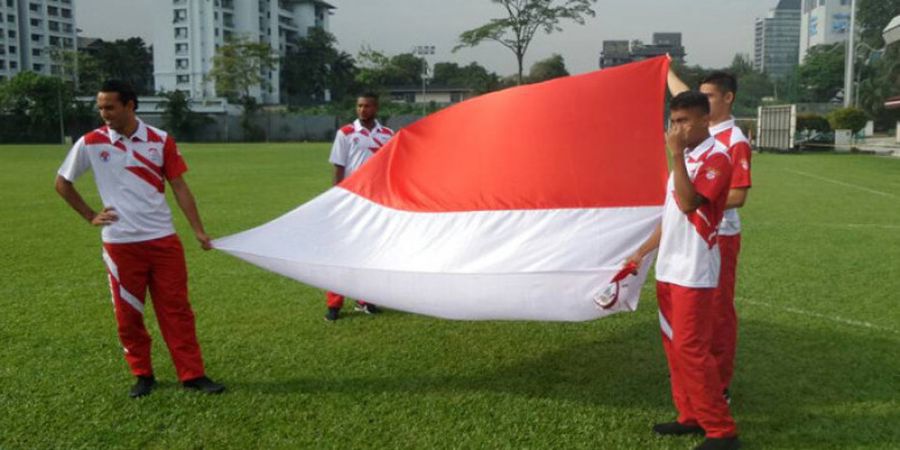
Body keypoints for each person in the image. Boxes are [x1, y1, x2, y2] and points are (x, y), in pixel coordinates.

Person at [55, 80, 225, 398]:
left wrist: (198, 230)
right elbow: (62, 183)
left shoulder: (160, 141)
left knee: (177, 311)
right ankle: (143, 374)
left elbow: (179, 187)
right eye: (101, 108)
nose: (104, 113)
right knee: (128, 313)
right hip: (120, 245)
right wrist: (91, 215)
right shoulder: (91, 142)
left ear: (130, 105)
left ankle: (193, 374)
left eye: (110, 107)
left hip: (163, 241)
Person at [626, 91, 739, 450]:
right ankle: (689, 415)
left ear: (705, 119)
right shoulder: (686, 158)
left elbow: (690, 204)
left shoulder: (717, 158)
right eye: (673, 122)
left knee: (691, 348)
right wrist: (643, 251)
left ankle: (722, 431)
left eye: (685, 121)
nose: (677, 128)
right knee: (674, 346)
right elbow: (671, 215)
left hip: (695, 270)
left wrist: (675, 154)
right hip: (669, 267)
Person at [668, 69, 752, 400]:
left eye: (710, 96)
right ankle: (697, 379)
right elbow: (682, 94)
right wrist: (665, 68)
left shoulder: (734, 141)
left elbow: (739, 195)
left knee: (717, 310)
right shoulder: (700, 133)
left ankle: (720, 383)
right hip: (689, 232)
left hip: (719, 235)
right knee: (695, 313)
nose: (703, 100)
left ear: (727, 98)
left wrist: (703, 196)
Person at [324, 93, 394, 321]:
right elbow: (338, 167)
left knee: (371, 251)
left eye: (367, 106)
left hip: (376, 204)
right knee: (341, 252)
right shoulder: (345, 133)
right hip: (350, 202)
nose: (362, 110)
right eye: (359, 106)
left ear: (376, 107)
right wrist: (337, 198)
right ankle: (334, 304)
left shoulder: (387, 135)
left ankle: (366, 300)